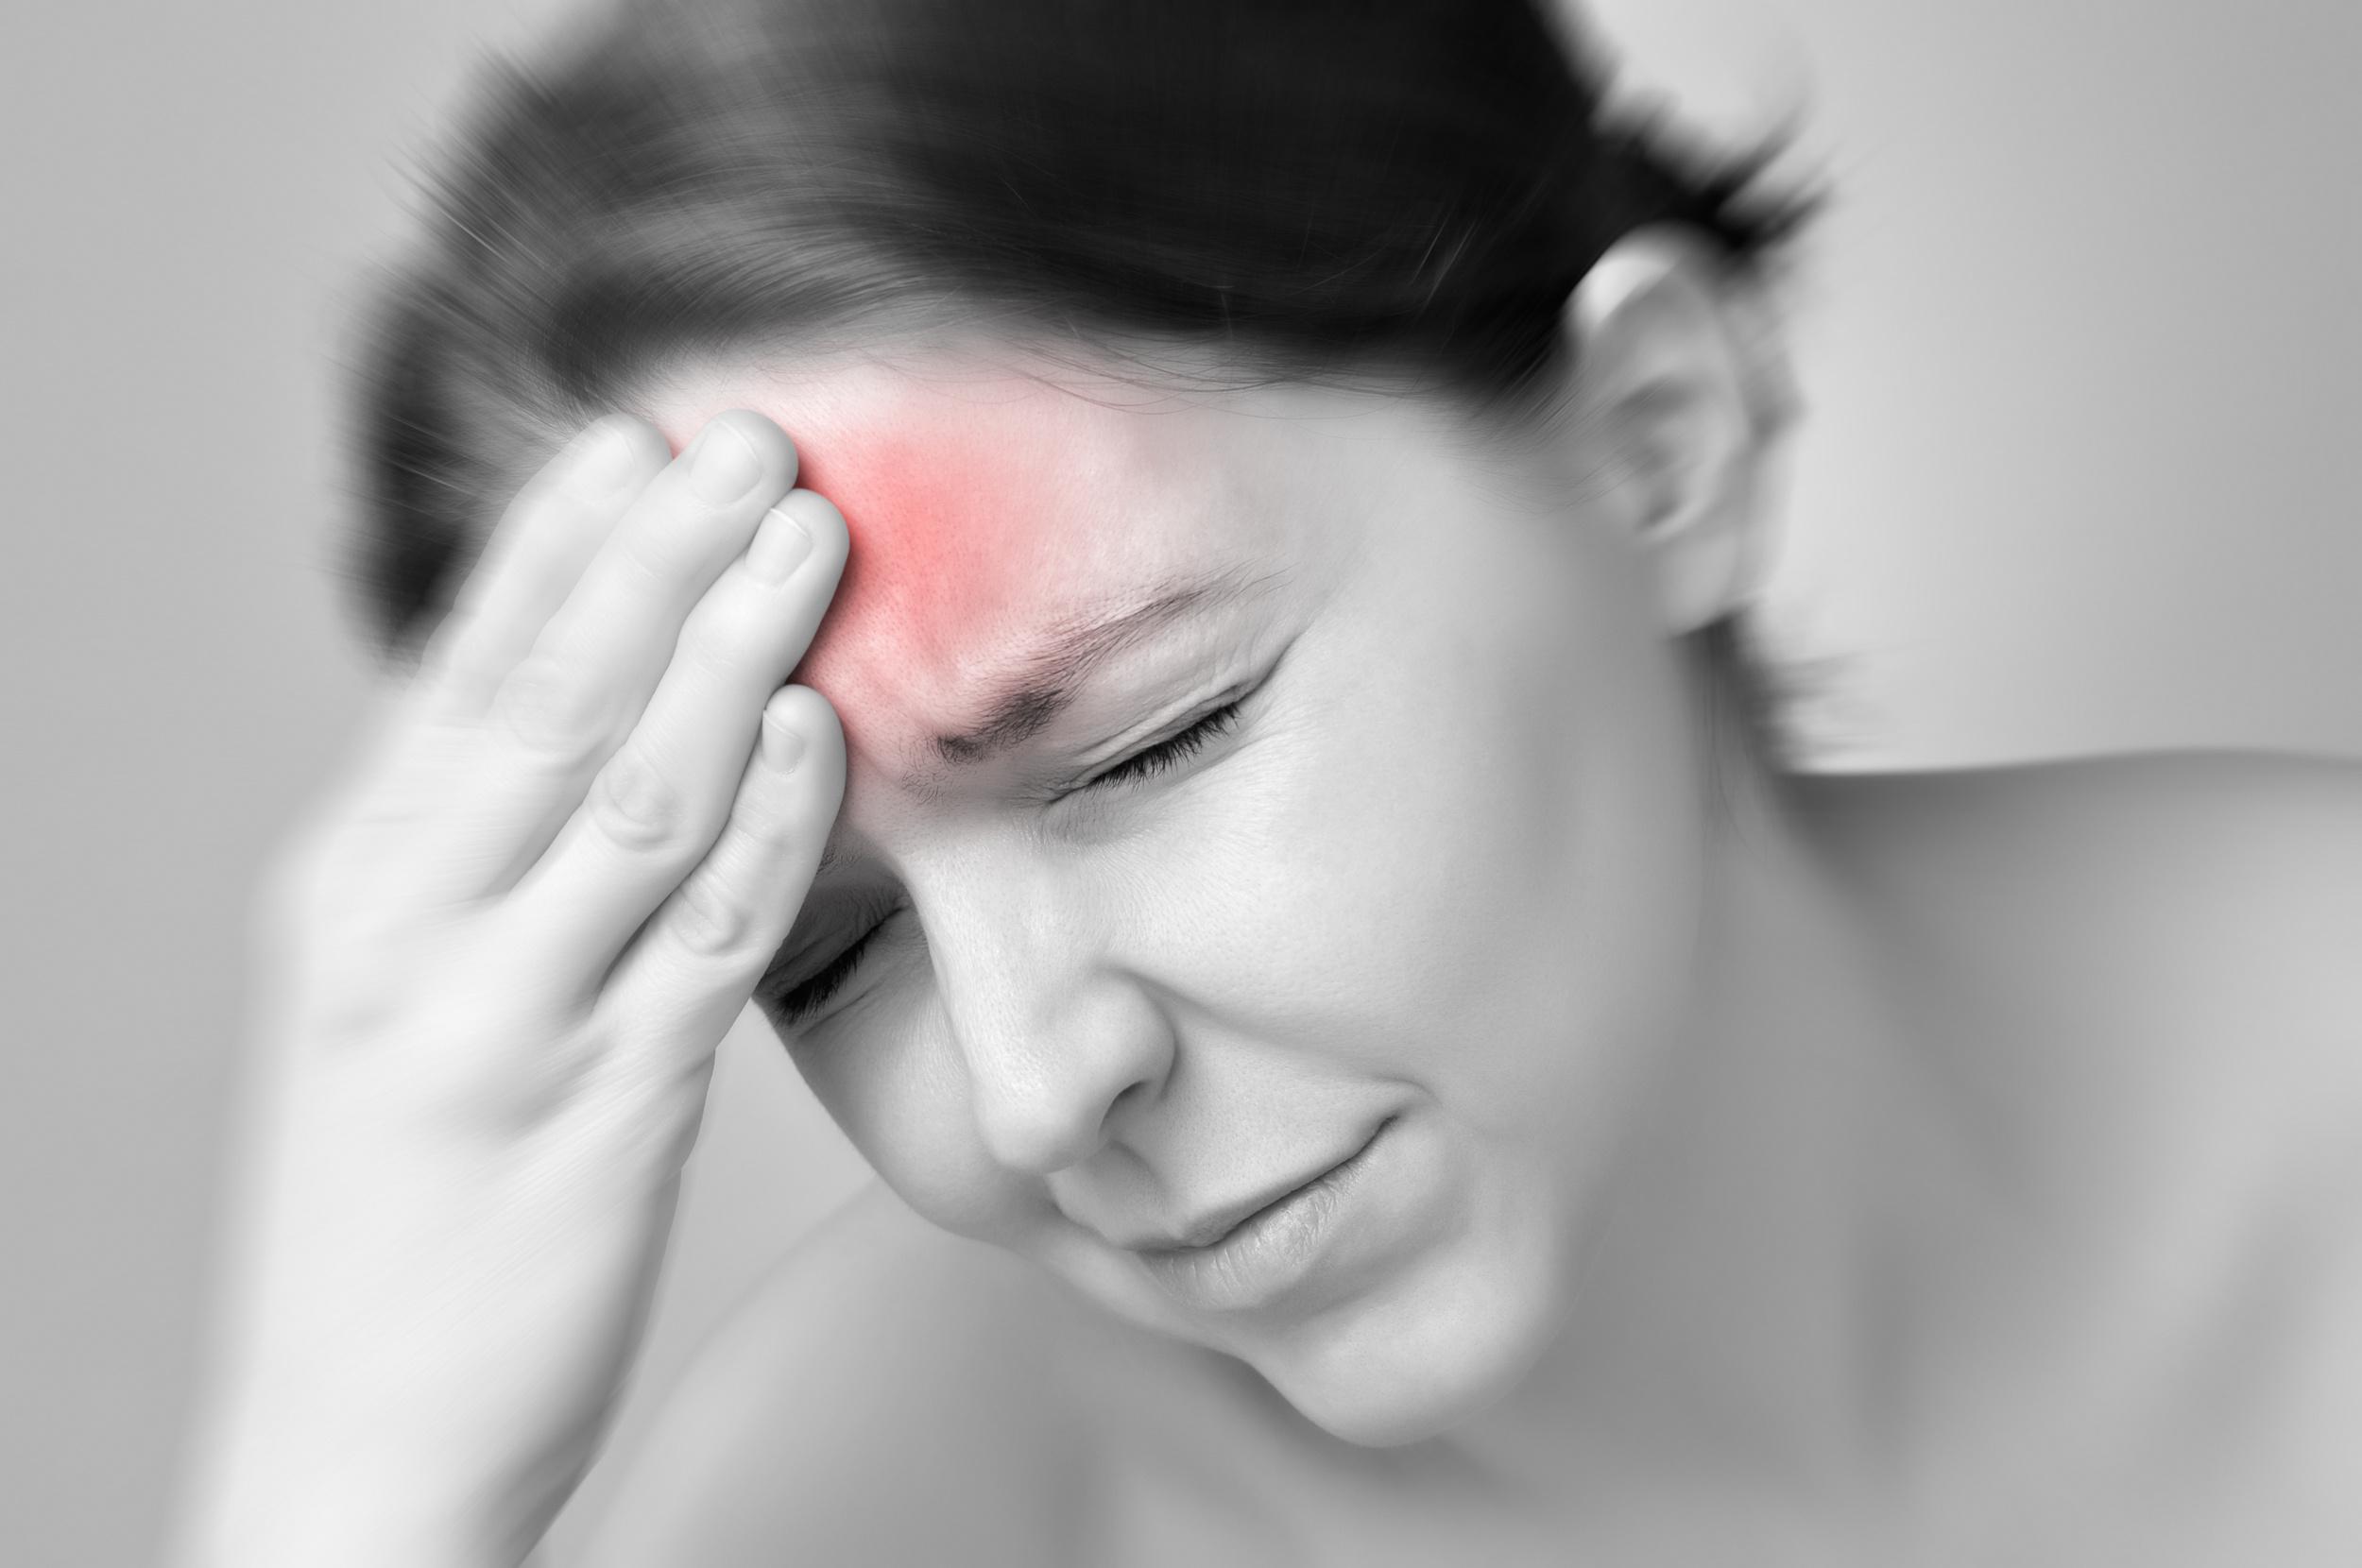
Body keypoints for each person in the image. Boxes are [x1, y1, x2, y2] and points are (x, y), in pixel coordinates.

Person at [170, 0, 2362, 1562]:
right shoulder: (866, 1516)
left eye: (1146, 738)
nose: (1036, 1089)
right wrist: (346, 1506)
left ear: (1654, 444)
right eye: (823, 953)